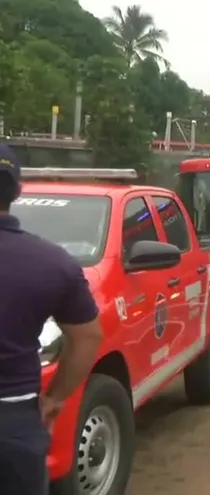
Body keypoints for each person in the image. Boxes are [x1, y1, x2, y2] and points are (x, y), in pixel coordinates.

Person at [0, 145, 103, 494]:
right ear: (17, 191)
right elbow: (88, 336)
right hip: (14, 423)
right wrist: (56, 398)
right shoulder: (53, 263)